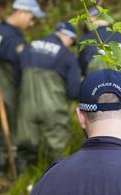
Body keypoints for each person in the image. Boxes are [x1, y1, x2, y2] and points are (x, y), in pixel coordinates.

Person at [0, 0, 45, 175]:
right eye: (31, 17)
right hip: (10, 91)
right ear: (22, 13)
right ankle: (11, 171)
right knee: (13, 132)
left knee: (1, 130)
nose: (31, 23)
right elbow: (21, 61)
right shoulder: (13, 38)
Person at [16, 22, 82, 172]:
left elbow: (16, 77)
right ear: (68, 37)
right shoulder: (66, 55)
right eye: (72, 42)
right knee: (55, 147)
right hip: (54, 108)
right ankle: (53, 179)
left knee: (25, 144)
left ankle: (21, 178)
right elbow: (73, 91)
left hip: (27, 105)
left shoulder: (29, 47)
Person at [77, 8, 121, 75]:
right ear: (107, 18)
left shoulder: (86, 38)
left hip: (97, 82)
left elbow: (82, 66)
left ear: (89, 20)